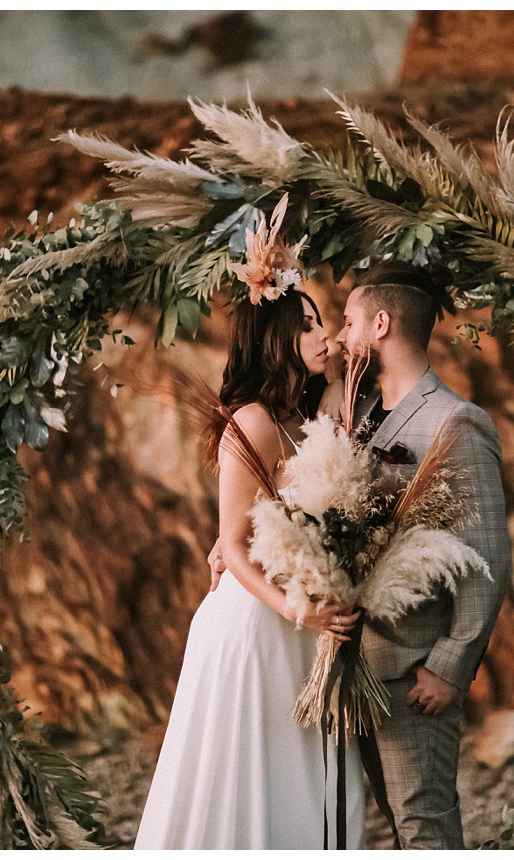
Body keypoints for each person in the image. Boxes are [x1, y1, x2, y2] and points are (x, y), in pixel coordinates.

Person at [134, 288, 366, 849]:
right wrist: (298, 609)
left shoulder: (303, 418)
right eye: (308, 326)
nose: (324, 337)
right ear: (275, 338)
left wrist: (335, 372)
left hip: (300, 632)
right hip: (258, 624)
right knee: (250, 783)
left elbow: (338, 440)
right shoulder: (253, 421)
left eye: (322, 325)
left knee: (316, 785)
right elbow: (232, 546)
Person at [336, 260, 513, 849]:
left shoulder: (456, 421)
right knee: (393, 818)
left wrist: (450, 666)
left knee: (424, 824)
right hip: (356, 666)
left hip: (415, 672)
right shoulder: (356, 416)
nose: (340, 337)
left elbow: (486, 555)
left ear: (380, 323)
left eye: (348, 321)